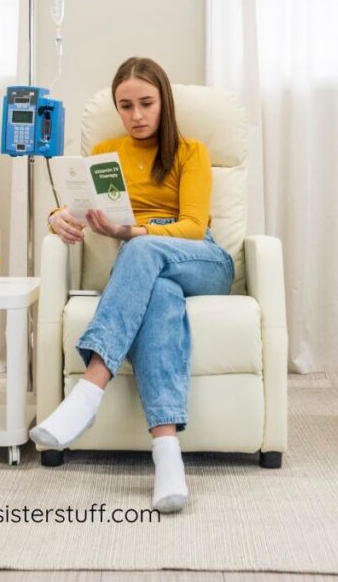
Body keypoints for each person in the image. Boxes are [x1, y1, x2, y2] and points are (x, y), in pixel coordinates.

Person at [29, 57, 234, 513]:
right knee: (159, 296)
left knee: (142, 252)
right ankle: (168, 459)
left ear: (164, 103)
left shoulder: (190, 151)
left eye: (146, 103)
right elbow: (76, 206)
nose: (136, 115)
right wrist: (57, 217)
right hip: (150, 272)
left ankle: (88, 390)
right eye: (126, 106)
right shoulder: (106, 151)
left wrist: (134, 235)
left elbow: (194, 225)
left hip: (202, 259)